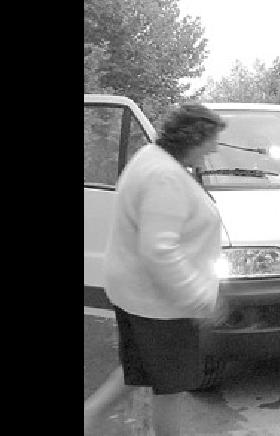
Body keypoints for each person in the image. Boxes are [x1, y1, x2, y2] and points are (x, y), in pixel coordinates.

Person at [84, 104, 227, 436]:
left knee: (141, 369)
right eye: (213, 139)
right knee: (171, 386)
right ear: (196, 137)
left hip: (136, 293)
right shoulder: (165, 176)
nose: (216, 148)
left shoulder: (151, 157)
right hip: (160, 303)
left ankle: (90, 416)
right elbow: (159, 250)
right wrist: (199, 297)